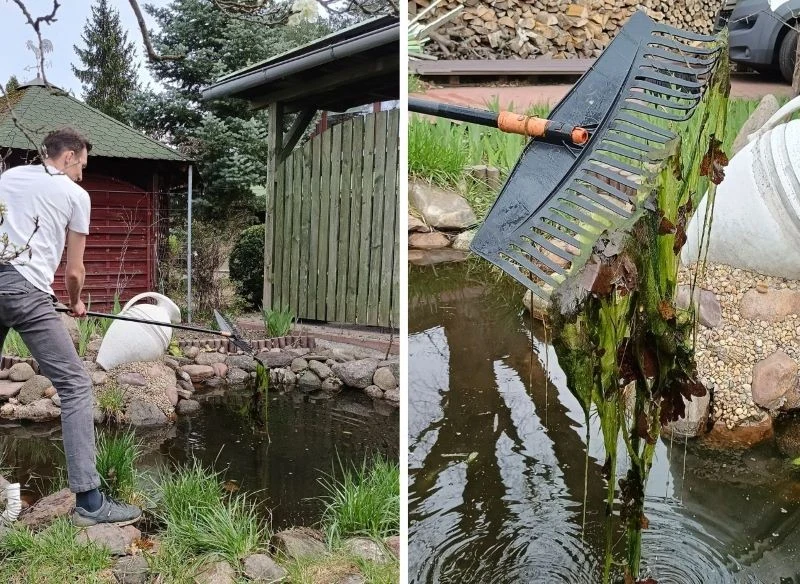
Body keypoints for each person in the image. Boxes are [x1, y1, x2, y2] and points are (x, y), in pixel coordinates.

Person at [0, 127, 141, 526]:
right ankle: (90, 504)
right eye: (82, 164)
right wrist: (76, 301)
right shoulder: (77, 196)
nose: (83, 172)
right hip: (26, 291)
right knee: (76, 385)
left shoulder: (8, 178)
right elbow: (75, 272)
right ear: (68, 156)